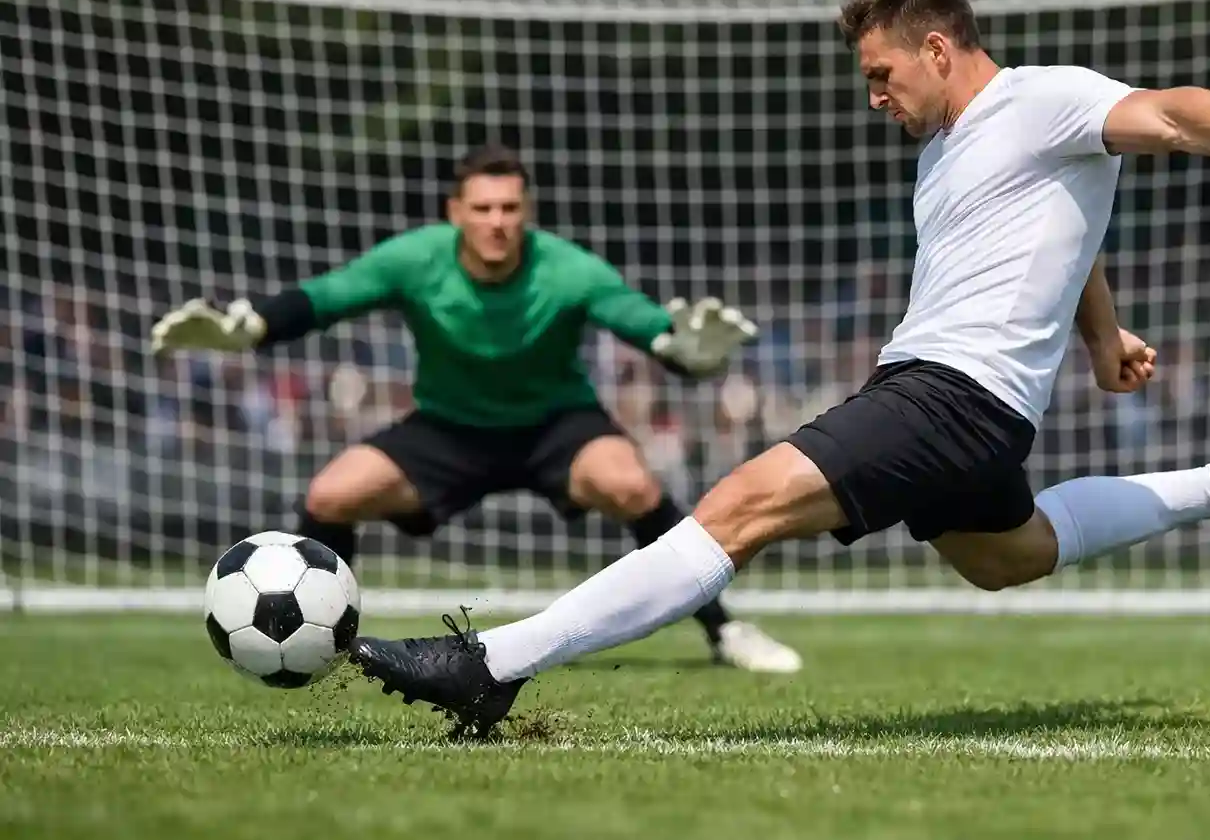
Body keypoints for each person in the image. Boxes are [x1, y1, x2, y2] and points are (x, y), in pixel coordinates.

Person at [346, 0, 1210, 737]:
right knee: (1003, 556)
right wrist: (1102, 336)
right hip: (960, 403)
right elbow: (1071, 225)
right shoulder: (950, 156)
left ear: (938, 48)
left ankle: (494, 661)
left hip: (947, 397)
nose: (873, 96)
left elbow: (1173, 112)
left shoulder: (1041, 98)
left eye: (881, 74)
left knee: (735, 506)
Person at [149, 142, 803, 674]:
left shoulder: (566, 268)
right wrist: (251, 328)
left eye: (511, 208)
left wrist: (683, 348)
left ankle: (725, 631)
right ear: (455, 211)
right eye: (484, 207)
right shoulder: (416, 258)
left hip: (555, 427)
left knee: (629, 482)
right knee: (331, 492)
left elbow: (644, 323)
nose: (498, 221)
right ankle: (325, 643)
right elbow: (328, 296)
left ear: (527, 213)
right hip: (448, 430)